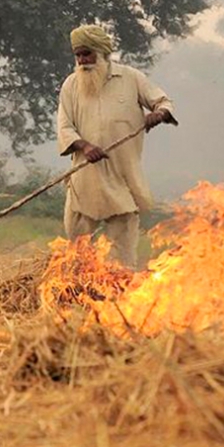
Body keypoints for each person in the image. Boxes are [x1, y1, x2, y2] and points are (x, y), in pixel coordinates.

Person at [56, 24, 176, 269]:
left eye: (87, 54)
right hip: (84, 180)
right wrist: (85, 146)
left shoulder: (131, 78)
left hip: (122, 178)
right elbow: (65, 127)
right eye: (78, 55)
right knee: (76, 254)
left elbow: (163, 101)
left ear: (101, 52)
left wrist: (159, 113)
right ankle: (74, 298)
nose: (82, 61)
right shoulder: (71, 85)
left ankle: (121, 299)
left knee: (122, 260)